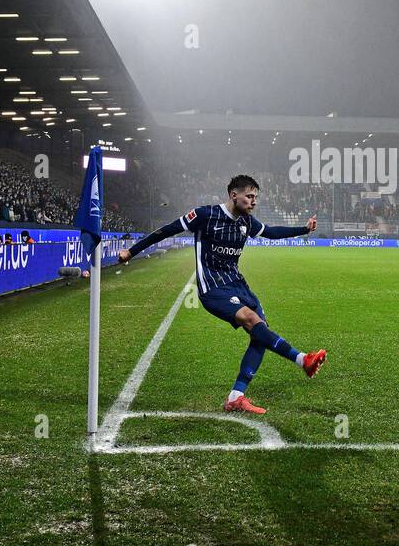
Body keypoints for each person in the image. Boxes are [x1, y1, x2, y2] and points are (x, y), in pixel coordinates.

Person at [118, 174, 326, 414]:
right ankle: (303, 360)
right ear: (233, 195)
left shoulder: (246, 222)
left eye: (255, 197)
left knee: (261, 332)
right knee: (252, 320)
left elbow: (271, 231)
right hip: (213, 287)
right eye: (249, 196)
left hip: (237, 284)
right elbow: (166, 231)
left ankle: (236, 397)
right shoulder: (205, 215)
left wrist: (303, 229)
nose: (253, 201)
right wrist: (131, 252)